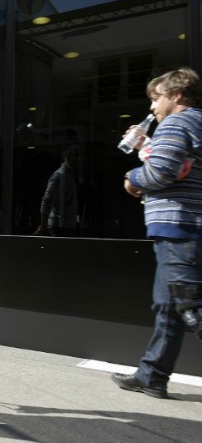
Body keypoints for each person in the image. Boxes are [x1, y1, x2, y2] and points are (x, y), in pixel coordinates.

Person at [111, 67, 202, 399]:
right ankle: (152, 375)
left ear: (176, 95)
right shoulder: (195, 123)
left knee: (190, 307)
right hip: (190, 225)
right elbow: (177, 164)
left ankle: (152, 374)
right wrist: (149, 146)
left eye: (156, 98)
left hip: (179, 224)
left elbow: (161, 172)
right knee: (168, 305)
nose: (152, 108)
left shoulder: (177, 123)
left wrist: (132, 177)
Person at [32, 147, 79, 237]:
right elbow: (47, 200)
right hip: (58, 226)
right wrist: (43, 225)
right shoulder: (59, 175)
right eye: (75, 156)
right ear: (67, 157)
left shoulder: (70, 175)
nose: (78, 159)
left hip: (68, 225)